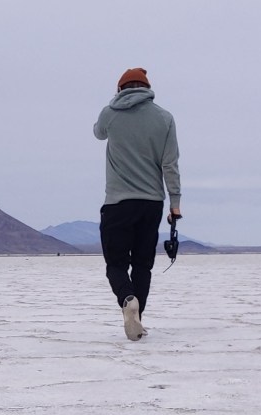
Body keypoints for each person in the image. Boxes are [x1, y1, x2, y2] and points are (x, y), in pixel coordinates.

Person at [93, 67, 182, 341]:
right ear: (147, 89)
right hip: (151, 204)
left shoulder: (110, 113)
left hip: (117, 203)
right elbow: (170, 164)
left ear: (120, 89)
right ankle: (138, 318)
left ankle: (127, 298)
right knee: (142, 265)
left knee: (116, 264)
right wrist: (175, 204)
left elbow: (98, 133)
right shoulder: (164, 118)